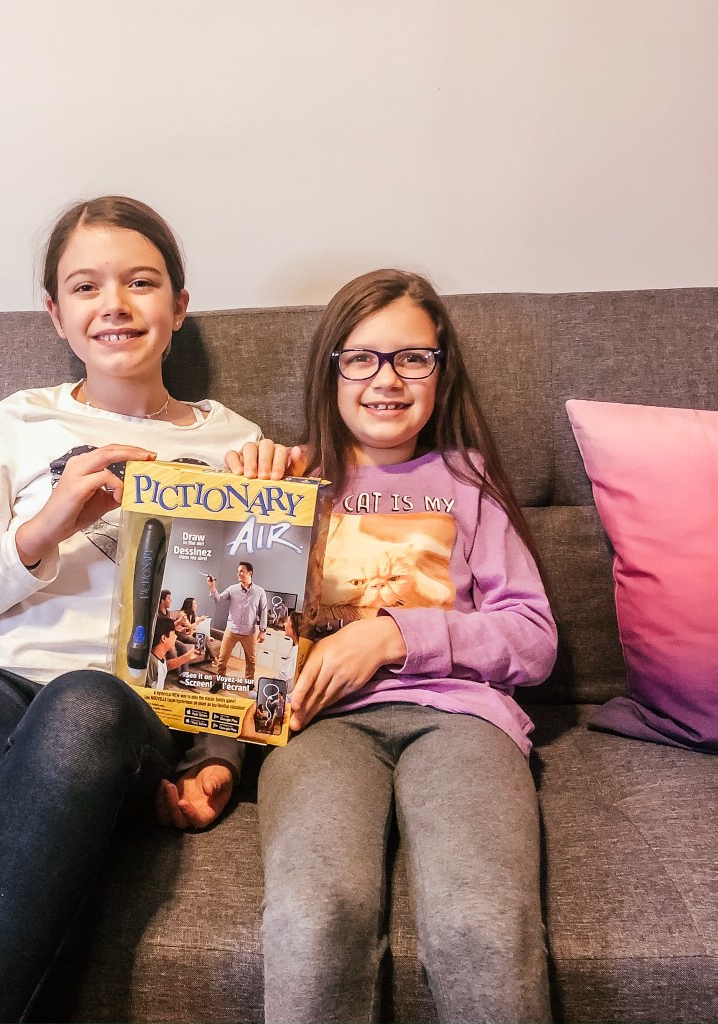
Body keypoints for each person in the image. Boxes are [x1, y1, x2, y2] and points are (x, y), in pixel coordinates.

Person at [0, 196, 268, 1023]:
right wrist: (46, 528)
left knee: (84, 700)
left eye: (142, 282)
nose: (115, 303)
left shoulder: (238, 445)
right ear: (57, 315)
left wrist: (220, 758)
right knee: (30, 900)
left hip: (119, 710)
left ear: (179, 307)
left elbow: (245, 641)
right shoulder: (19, 420)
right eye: (85, 287)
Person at [229, 269, 557, 1024]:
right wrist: (240, 494)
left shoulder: (467, 484)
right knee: (315, 917)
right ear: (331, 369)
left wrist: (393, 634)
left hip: (460, 721)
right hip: (322, 728)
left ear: (441, 372)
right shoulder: (290, 480)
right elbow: (230, 632)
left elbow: (533, 641)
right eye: (363, 358)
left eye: (413, 358)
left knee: (480, 917)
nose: (388, 378)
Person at [207, 561, 268, 679]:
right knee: (222, 658)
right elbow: (218, 600)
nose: (238, 573)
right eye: (238, 571)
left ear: (249, 573)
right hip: (231, 630)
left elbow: (264, 610)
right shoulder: (232, 589)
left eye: (241, 571)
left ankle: (249, 682)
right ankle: (220, 680)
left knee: (251, 660)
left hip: (249, 633)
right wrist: (212, 587)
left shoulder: (259, 591)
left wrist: (263, 630)